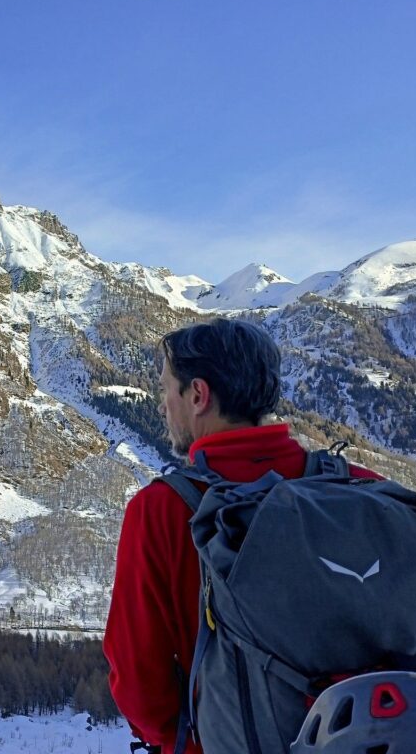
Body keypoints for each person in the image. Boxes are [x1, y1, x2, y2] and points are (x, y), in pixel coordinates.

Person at [103, 318, 380, 753]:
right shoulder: (362, 489)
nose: (161, 406)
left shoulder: (162, 510)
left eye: (165, 390)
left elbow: (138, 682)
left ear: (198, 395)